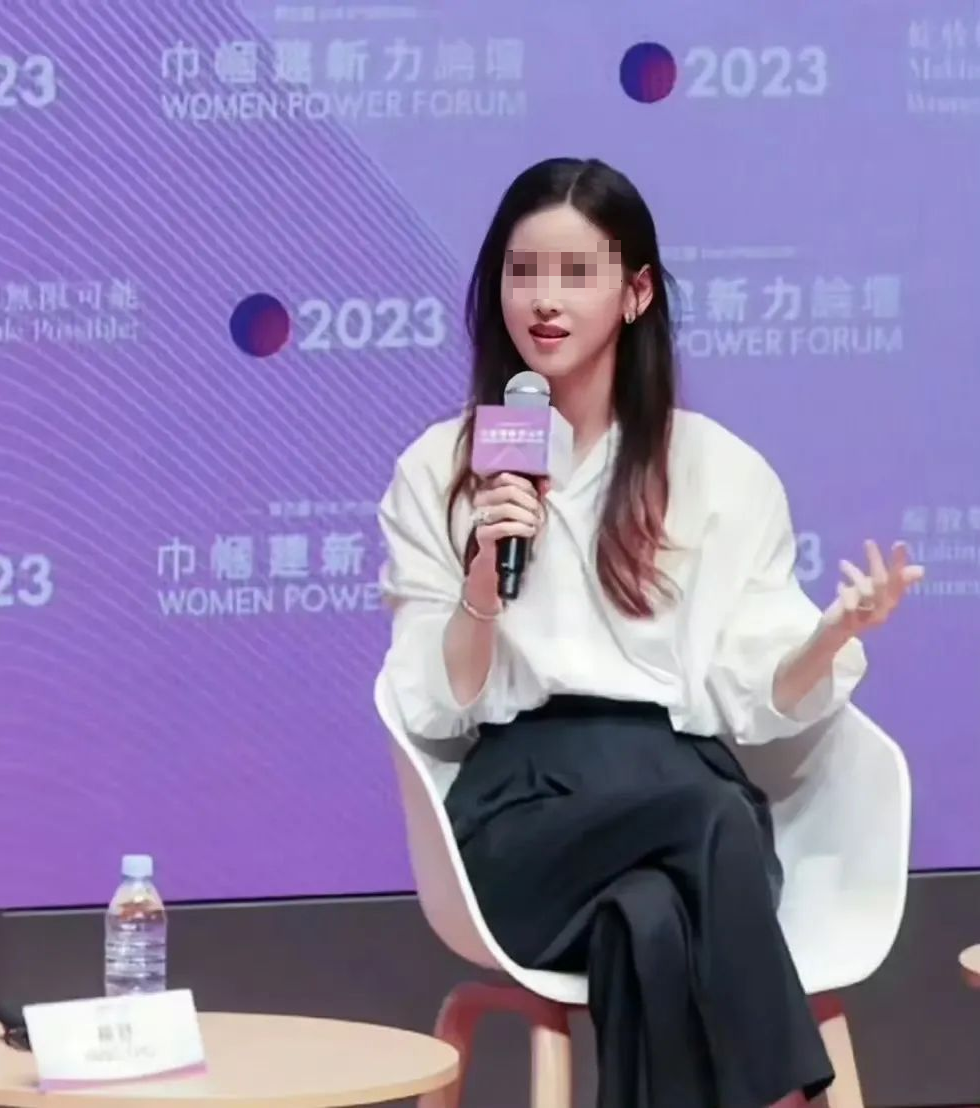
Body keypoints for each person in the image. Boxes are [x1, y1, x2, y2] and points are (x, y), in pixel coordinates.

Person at [376, 157, 923, 1108]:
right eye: (521, 272)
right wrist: (483, 576)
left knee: (650, 922)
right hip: (523, 814)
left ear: (634, 294)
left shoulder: (717, 470)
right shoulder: (442, 467)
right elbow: (433, 704)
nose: (543, 301)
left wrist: (833, 633)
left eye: (575, 274)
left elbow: (753, 696)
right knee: (711, 815)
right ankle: (787, 1094)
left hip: (678, 782)